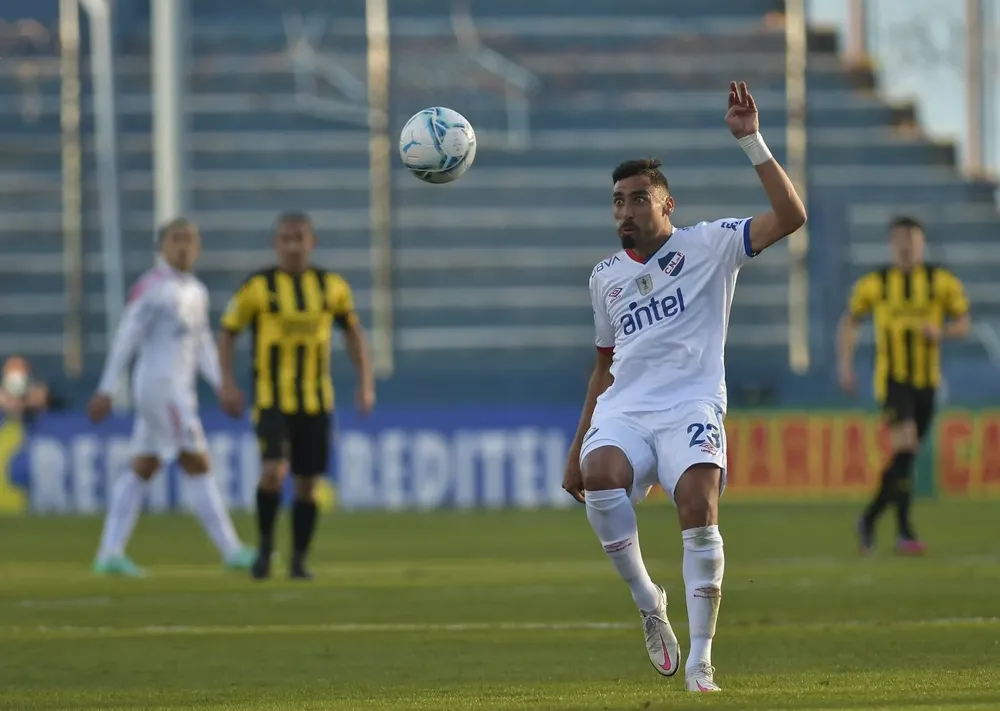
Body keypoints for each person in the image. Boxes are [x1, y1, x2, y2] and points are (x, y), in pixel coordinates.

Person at [562, 81, 807, 693]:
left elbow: (791, 217)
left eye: (639, 199)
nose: (625, 210)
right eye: (617, 201)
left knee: (699, 511)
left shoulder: (711, 244)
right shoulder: (604, 280)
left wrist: (751, 140)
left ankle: (701, 661)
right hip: (625, 410)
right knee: (599, 476)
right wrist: (576, 446)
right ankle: (649, 601)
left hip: (691, 406)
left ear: (668, 206)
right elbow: (603, 366)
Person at [88, 218, 255, 577]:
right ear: (161, 247)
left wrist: (222, 383)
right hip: (160, 390)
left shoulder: (195, 291)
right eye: (176, 240)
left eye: (190, 241)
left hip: (178, 391)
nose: (184, 247)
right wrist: (106, 388)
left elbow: (203, 344)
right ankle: (232, 550)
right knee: (197, 462)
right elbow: (126, 338)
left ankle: (109, 554)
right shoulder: (152, 288)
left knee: (142, 467)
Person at [218, 211, 375, 581]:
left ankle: (299, 559)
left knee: (308, 484)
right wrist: (226, 382)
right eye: (285, 238)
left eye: (299, 238)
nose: (292, 245)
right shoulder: (257, 287)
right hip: (272, 399)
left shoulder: (331, 286)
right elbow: (228, 333)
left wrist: (366, 383)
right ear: (276, 244)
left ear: (312, 242)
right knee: (273, 472)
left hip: (317, 401)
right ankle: (264, 549)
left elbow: (353, 334)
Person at [837, 216, 970, 555]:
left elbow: (963, 322)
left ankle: (868, 520)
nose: (906, 245)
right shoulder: (877, 283)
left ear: (922, 243)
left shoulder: (940, 281)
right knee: (907, 446)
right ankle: (905, 532)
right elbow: (850, 321)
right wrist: (846, 365)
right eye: (899, 238)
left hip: (928, 382)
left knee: (904, 457)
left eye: (911, 238)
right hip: (893, 380)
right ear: (891, 243)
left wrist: (941, 332)